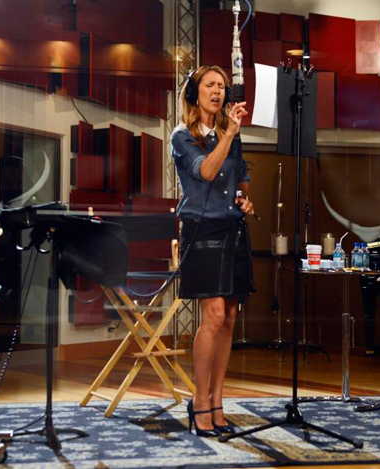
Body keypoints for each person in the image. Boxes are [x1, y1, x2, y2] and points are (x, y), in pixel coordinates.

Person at [171, 65, 256, 437]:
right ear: (195, 92)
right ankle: (200, 401)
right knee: (215, 314)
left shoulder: (231, 135)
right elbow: (206, 171)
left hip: (232, 228)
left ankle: (218, 402)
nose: (218, 91)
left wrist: (245, 200)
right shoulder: (181, 136)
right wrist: (230, 133)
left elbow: (241, 181)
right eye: (210, 85)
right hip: (202, 229)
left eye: (222, 85)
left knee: (230, 316)